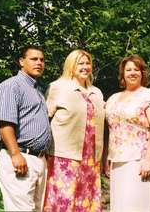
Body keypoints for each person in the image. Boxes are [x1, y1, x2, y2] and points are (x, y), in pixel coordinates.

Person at [43, 49, 105, 212]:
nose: (85, 67)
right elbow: (44, 119)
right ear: (71, 65)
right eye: (80, 63)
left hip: (91, 158)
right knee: (64, 199)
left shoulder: (96, 92)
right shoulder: (57, 87)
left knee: (86, 200)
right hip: (65, 156)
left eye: (88, 63)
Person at [0, 45, 51, 211]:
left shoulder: (38, 90)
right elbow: (5, 124)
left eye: (42, 60)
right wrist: (15, 154)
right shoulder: (11, 86)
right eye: (34, 59)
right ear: (21, 61)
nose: (39, 63)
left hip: (39, 160)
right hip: (20, 157)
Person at [105, 54, 150, 212]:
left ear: (142, 73)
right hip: (117, 160)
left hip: (139, 160)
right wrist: (106, 158)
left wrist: (149, 159)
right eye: (128, 69)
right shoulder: (113, 98)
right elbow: (109, 129)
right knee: (120, 205)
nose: (132, 73)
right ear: (122, 74)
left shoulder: (149, 95)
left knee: (137, 205)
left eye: (136, 69)